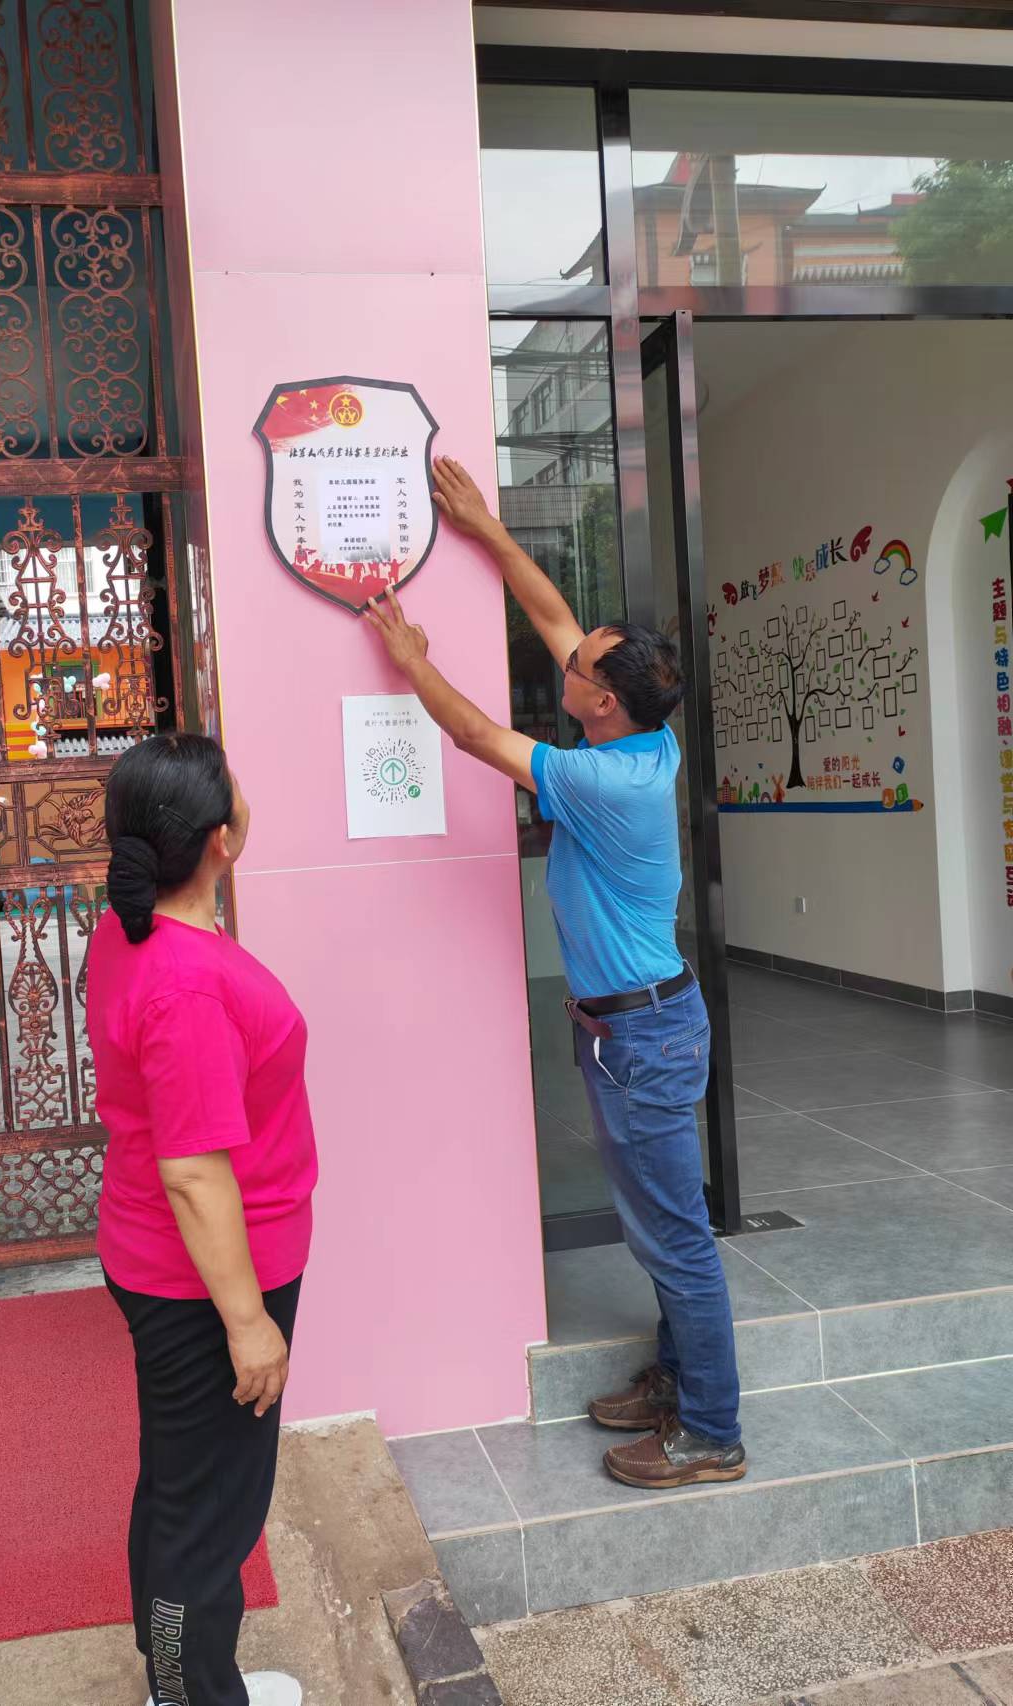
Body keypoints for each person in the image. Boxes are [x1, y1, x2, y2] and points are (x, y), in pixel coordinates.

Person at [365, 456, 744, 1492]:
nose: (564, 661)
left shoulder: (599, 779)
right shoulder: (642, 739)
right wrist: (484, 529)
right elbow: (551, 613)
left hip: (642, 1036)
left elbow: (471, 732)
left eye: (579, 667)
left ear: (603, 703)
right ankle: (678, 1381)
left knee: (674, 1237)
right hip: (635, 1026)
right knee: (662, 1228)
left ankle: (710, 1429)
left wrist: (411, 658)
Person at [87, 732, 317, 1706]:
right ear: (221, 838)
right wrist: (246, 1321)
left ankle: (182, 1682)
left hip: (173, 1259)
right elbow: (191, 1170)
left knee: (183, 1486)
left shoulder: (133, 927)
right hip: (205, 1279)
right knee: (207, 1513)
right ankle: (190, 1694)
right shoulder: (183, 981)